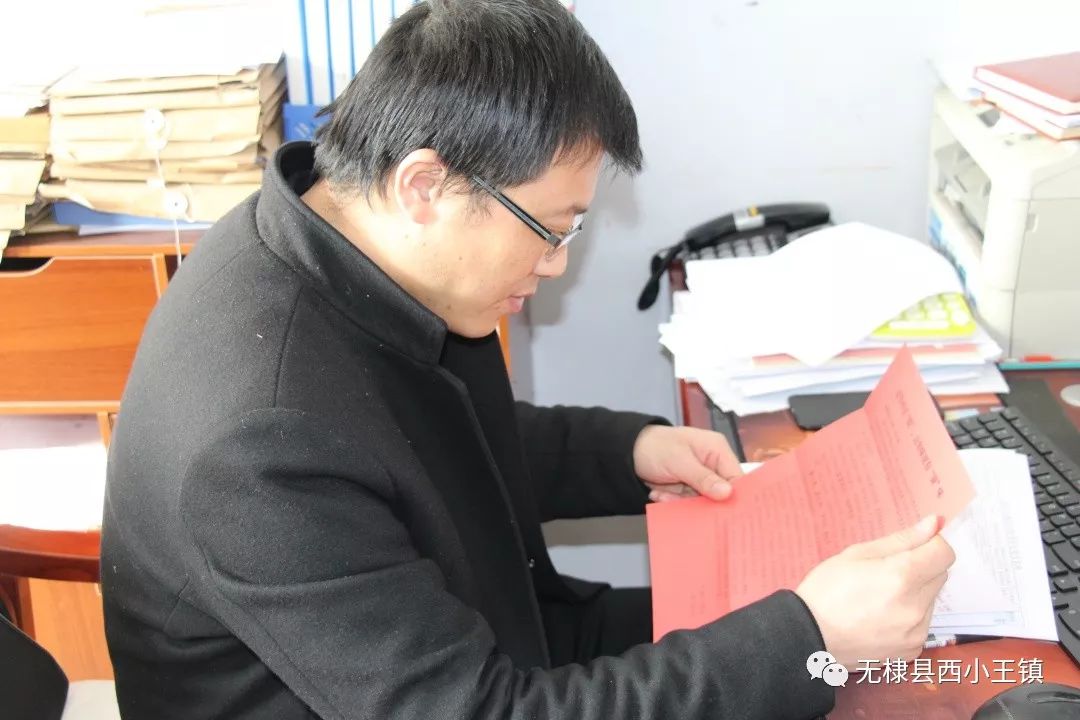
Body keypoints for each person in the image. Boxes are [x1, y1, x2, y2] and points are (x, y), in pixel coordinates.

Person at [100, 1, 955, 718]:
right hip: (456, 695)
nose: (553, 266)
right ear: (424, 186)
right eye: (550, 230)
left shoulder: (331, 238)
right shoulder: (260, 446)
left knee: (846, 638)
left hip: (476, 641)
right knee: (838, 671)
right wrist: (812, 640)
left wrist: (625, 451)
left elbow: (418, 446)